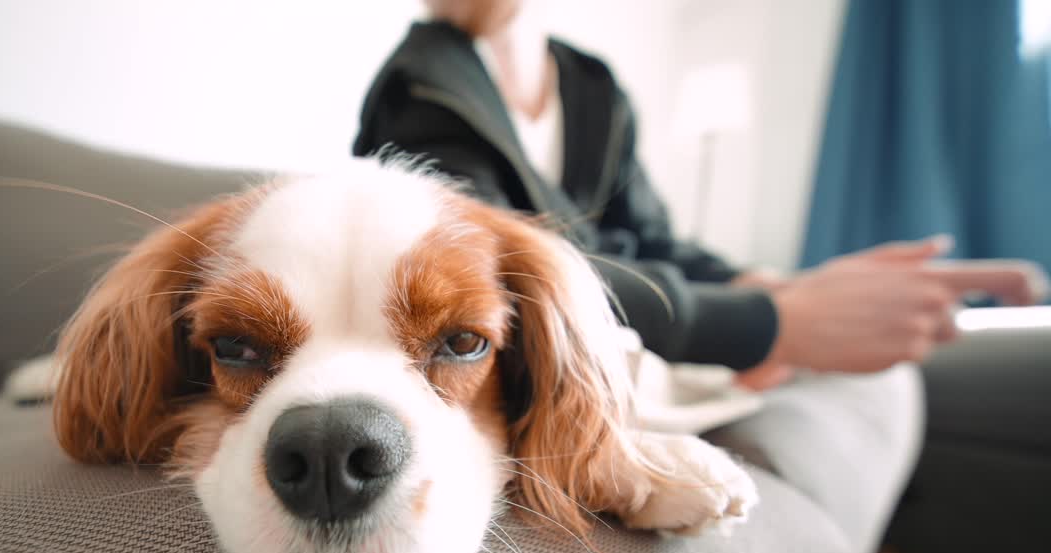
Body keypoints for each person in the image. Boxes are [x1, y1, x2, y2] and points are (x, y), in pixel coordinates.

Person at [353, 0, 1047, 391]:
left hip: (651, 344)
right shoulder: (420, 90)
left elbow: (651, 238)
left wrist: (763, 285)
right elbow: (506, 279)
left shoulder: (593, 87)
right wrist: (771, 323)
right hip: (567, 367)